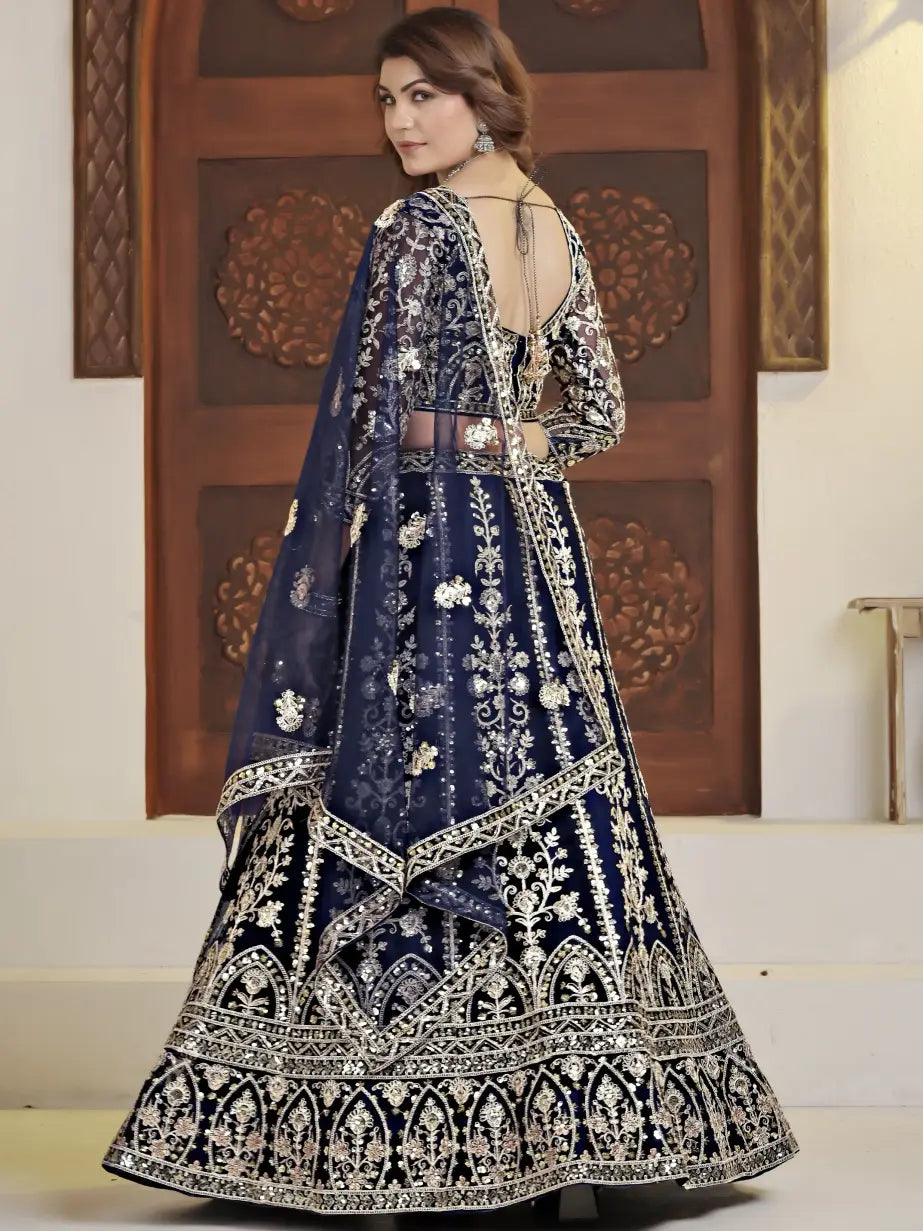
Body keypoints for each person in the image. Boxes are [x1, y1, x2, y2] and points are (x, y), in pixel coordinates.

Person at [102, 6, 799, 1219]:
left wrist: (338, 577)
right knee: (555, 784)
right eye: (385, 100)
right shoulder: (556, 232)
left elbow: (368, 427)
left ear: (482, 93)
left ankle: (356, 1119)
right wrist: (507, 439)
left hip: (429, 555)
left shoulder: (415, 231)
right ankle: (590, 1111)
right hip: (533, 550)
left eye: (421, 94)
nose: (399, 121)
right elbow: (593, 417)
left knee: (397, 783)